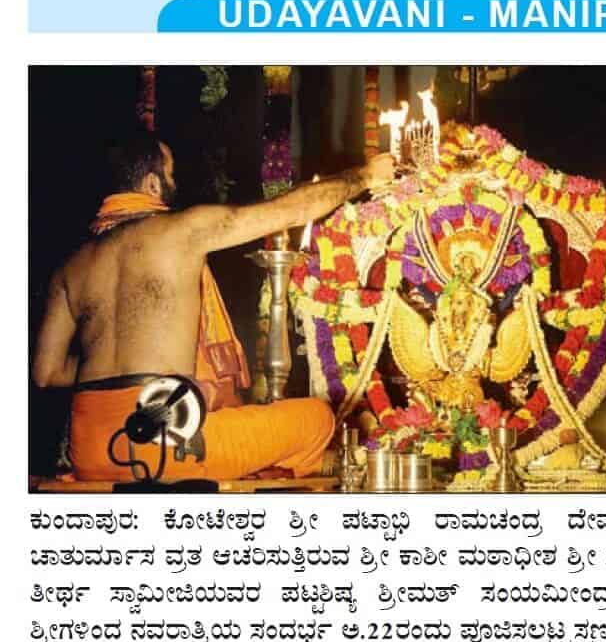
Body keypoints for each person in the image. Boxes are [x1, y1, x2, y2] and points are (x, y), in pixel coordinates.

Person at [32, 134, 394, 482]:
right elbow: (294, 209)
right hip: (168, 440)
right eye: (171, 173)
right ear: (153, 184)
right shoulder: (182, 230)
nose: (175, 182)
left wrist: (118, 365)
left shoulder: (71, 265)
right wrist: (363, 176)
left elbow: (46, 374)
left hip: (90, 449)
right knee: (315, 419)